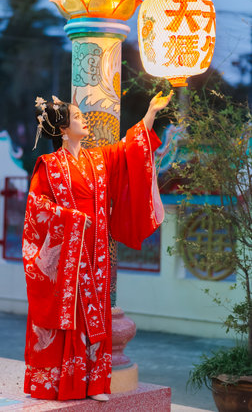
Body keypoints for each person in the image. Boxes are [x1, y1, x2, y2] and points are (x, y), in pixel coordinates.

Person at [22, 91, 173, 402]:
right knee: (70, 316)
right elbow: (36, 209)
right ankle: (60, 383)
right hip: (68, 255)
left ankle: (93, 384)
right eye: (77, 117)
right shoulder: (48, 165)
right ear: (63, 129)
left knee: (94, 316)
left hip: (97, 251)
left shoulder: (98, 160)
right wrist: (73, 219)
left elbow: (130, 149)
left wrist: (151, 113)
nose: (83, 119)